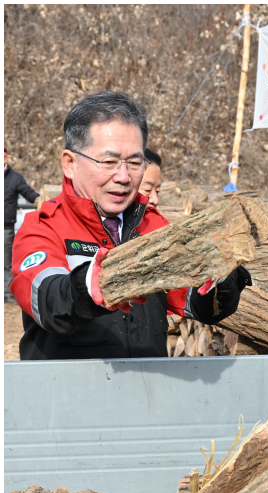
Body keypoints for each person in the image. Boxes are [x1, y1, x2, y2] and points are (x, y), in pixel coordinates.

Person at [10, 92, 250, 360]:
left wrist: (221, 280)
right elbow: (48, 302)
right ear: (70, 163)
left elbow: (197, 303)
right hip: (66, 394)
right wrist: (91, 286)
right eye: (109, 162)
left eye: (135, 163)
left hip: (148, 392)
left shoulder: (154, 225)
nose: (124, 177)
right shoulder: (42, 227)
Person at [5, 148, 41, 301]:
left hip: (5, 227)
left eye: (4, 156)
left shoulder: (15, 178)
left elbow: (28, 193)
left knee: (6, 262)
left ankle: (7, 293)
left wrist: (41, 200)